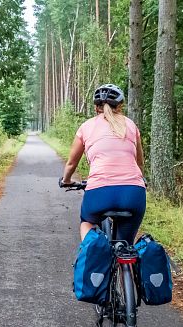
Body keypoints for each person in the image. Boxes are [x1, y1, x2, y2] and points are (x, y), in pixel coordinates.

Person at [60, 83, 146, 245]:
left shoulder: (86, 127)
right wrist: (141, 179)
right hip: (133, 193)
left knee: (87, 222)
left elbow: (71, 163)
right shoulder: (130, 125)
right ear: (120, 106)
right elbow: (139, 164)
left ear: (96, 107)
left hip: (99, 192)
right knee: (126, 245)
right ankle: (128, 266)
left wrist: (66, 181)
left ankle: (91, 253)